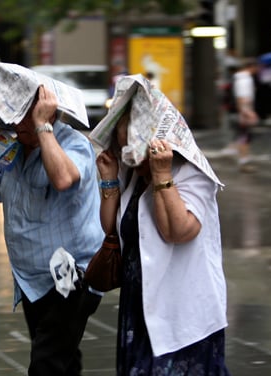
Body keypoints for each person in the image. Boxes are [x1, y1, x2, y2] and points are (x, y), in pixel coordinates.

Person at [95, 84, 230, 375]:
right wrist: (109, 180)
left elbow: (179, 232)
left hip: (184, 313)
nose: (131, 160)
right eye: (123, 149)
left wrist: (161, 175)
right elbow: (110, 229)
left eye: (136, 152)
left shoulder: (191, 172)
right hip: (140, 308)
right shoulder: (133, 175)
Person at [0, 84, 104, 374]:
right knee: (62, 359)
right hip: (32, 279)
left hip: (71, 275)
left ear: (46, 114)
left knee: (47, 363)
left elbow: (64, 179)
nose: (17, 128)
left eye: (24, 120)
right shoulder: (14, 151)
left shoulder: (73, 144)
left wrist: (43, 127)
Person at [232, 58, 259, 173]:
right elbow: (242, 99)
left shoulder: (240, 78)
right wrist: (248, 113)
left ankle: (244, 160)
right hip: (245, 112)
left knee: (244, 137)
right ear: (251, 67)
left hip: (244, 111)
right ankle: (243, 162)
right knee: (244, 137)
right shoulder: (244, 79)